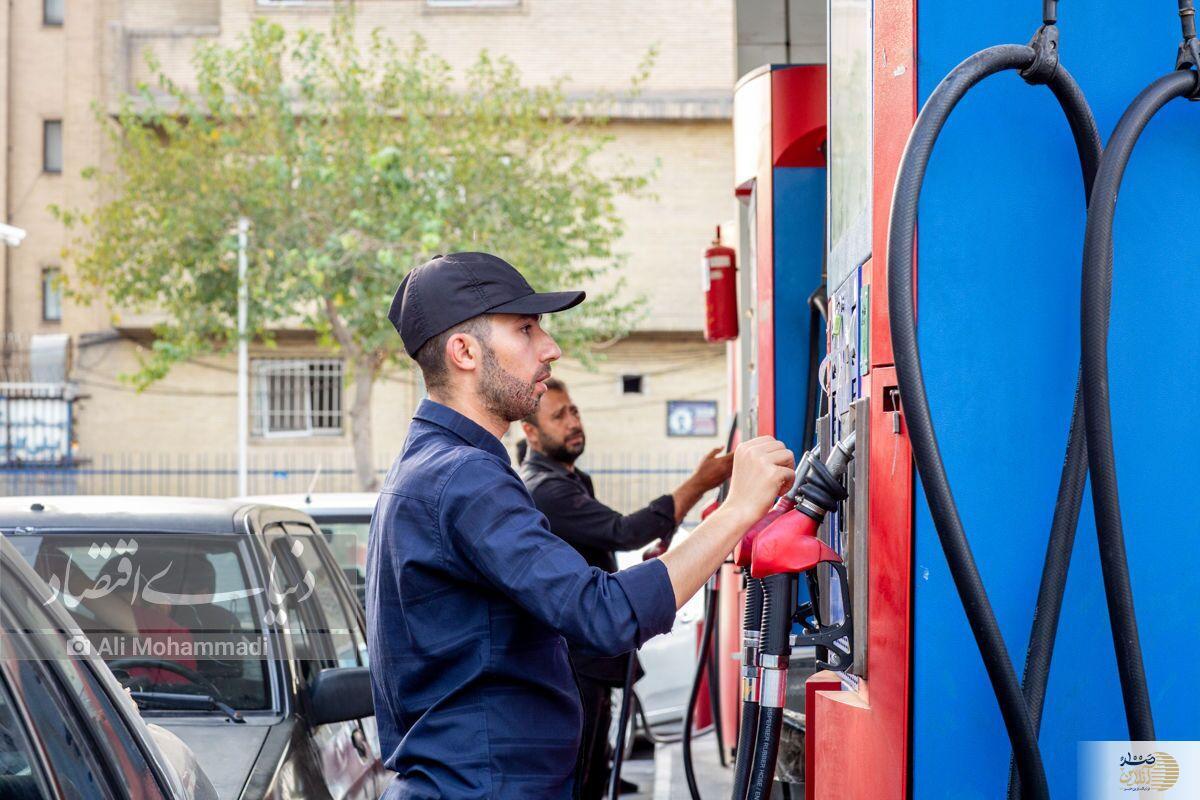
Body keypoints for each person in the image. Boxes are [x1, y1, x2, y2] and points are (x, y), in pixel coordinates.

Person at [366, 252, 794, 799]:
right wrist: (738, 510)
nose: (549, 347)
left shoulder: (430, 465)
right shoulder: (464, 477)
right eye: (525, 328)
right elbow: (605, 614)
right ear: (464, 351)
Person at [518, 378, 732, 799]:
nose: (573, 421)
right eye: (558, 416)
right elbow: (624, 530)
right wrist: (699, 484)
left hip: (592, 655)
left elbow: (595, 556)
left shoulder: (574, 479)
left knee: (597, 768)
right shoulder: (546, 490)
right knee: (581, 777)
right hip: (574, 659)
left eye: (573, 410)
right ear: (530, 432)